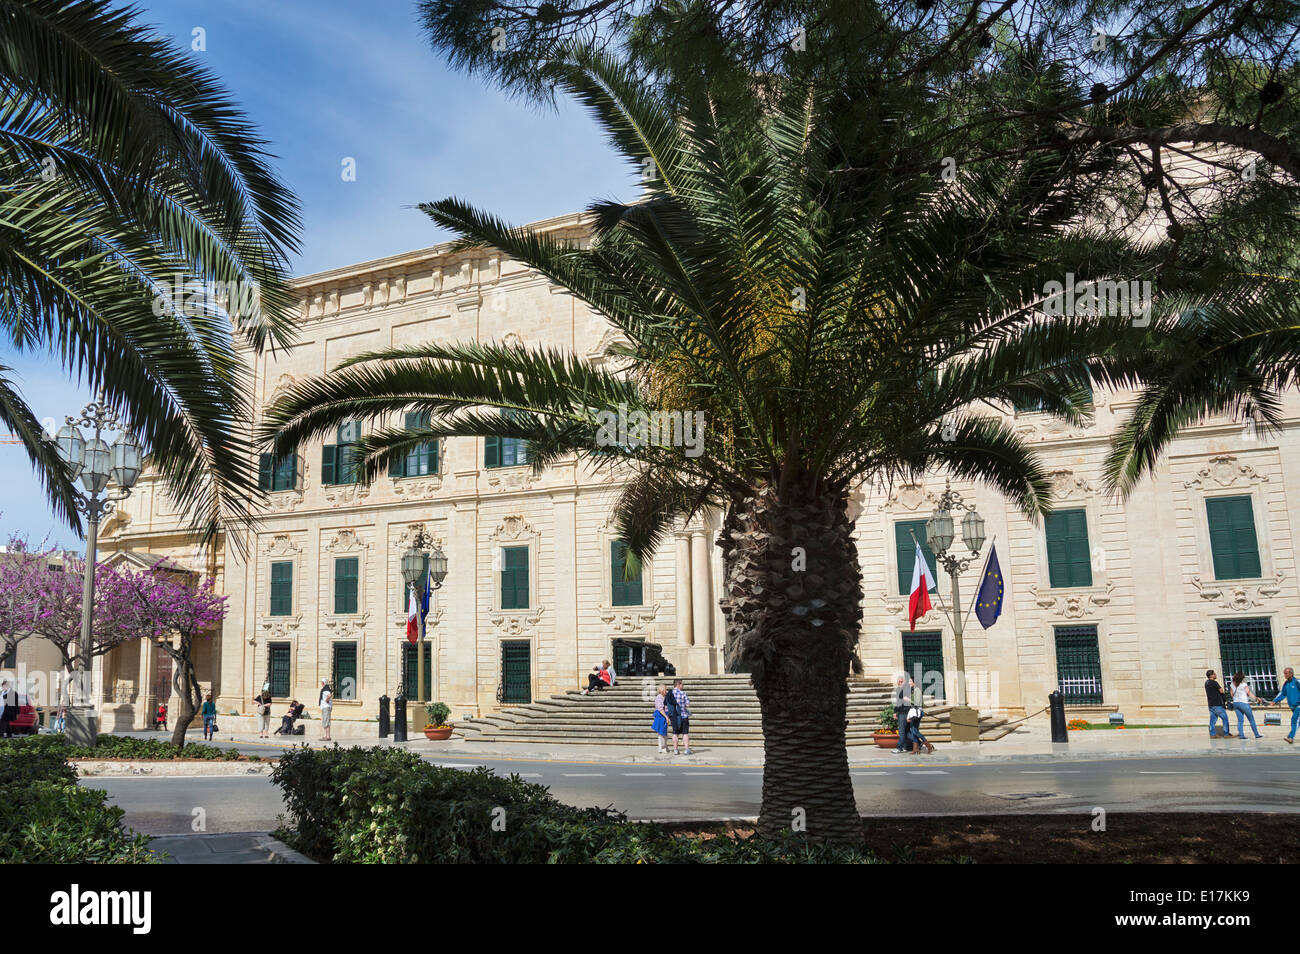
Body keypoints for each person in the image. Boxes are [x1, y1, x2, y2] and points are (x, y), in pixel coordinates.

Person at [1271, 666, 1300, 745]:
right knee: (1297, 721)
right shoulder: (1286, 684)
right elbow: (1283, 694)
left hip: (1298, 706)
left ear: (1291, 673)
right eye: (1284, 673)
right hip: (1293, 707)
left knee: (1294, 720)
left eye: (1286, 673)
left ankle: (1291, 737)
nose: (1285, 675)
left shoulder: (1297, 682)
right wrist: (1275, 701)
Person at [1230, 672, 1263, 739]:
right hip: (1244, 703)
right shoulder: (1244, 684)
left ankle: (1241, 736)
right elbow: (1249, 694)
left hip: (1236, 703)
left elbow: (1232, 695)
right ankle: (1256, 734)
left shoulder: (1232, 684)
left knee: (1240, 721)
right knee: (1251, 719)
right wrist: (1256, 698)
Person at [906, 676, 934, 754]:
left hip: (917, 713)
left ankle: (928, 745)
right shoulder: (914, 690)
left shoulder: (917, 690)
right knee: (913, 730)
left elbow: (917, 703)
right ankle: (916, 749)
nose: (909, 683)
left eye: (910, 681)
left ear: (914, 682)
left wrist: (909, 700)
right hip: (915, 712)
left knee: (914, 731)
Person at [1205, 669, 1232, 738]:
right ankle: (1226, 734)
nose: (1215, 675)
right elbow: (1221, 690)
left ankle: (1212, 734)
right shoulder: (1214, 682)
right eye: (1214, 674)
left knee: (1212, 720)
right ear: (1211, 675)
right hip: (1217, 704)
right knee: (1225, 718)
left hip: (1211, 704)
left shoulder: (1206, 683)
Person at [892, 674, 912, 754]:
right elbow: (898, 702)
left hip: (905, 712)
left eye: (901, 681)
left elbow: (910, 701)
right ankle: (919, 744)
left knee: (902, 731)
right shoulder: (898, 689)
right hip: (900, 711)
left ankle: (899, 748)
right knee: (907, 732)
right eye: (899, 681)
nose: (900, 683)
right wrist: (895, 712)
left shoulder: (907, 689)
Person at [670, 679, 691, 755]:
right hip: (683, 716)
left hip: (674, 717)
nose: (683, 686)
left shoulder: (670, 693)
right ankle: (686, 749)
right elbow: (688, 705)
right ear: (678, 685)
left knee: (675, 733)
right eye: (682, 684)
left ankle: (675, 750)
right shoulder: (683, 693)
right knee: (685, 733)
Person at [652, 686, 670, 754]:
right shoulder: (659, 697)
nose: (666, 691)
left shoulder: (663, 696)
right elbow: (660, 709)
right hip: (661, 716)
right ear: (662, 690)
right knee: (661, 733)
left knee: (664, 733)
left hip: (664, 716)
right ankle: (662, 748)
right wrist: (666, 717)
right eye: (665, 689)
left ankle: (665, 746)